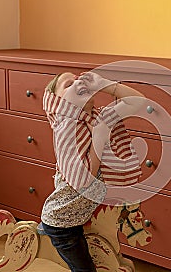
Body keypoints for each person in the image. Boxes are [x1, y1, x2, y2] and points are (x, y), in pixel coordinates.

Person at [41, 72, 145, 272]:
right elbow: (82, 180)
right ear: (56, 102)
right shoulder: (65, 128)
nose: (78, 82)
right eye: (68, 84)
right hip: (62, 225)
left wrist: (106, 85)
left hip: (80, 217)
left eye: (79, 79)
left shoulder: (98, 118)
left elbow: (138, 102)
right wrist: (99, 135)